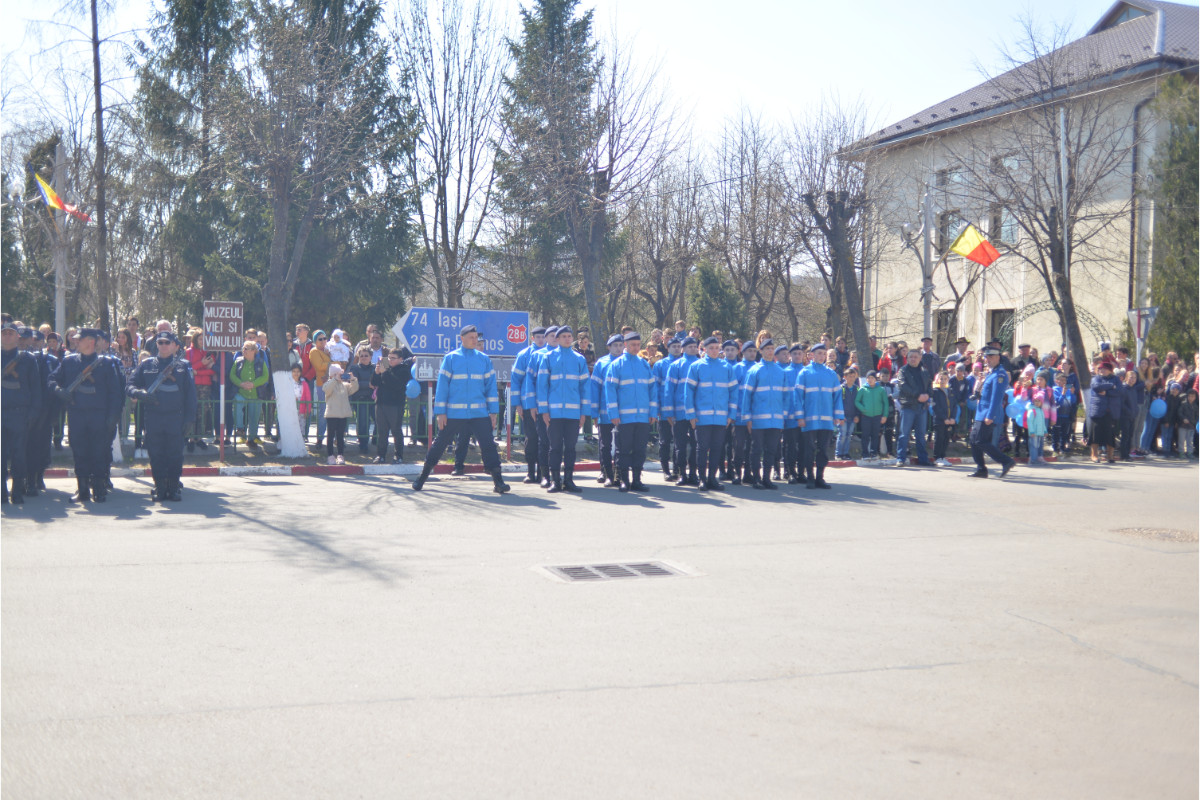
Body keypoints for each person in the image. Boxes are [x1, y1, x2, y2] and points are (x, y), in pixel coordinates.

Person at [412, 325, 508, 494]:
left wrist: (493, 412)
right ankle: (422, 478)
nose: (475, 340)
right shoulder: (451, 358)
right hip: (454, 414)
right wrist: (440, 412)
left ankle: (498, 482)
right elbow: (442, 388)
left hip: (479, 414)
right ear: (461, 338)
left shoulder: (484, 359)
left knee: (488, 446)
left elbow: (490, 388)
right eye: (471, 337)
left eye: (476, 337)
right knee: (439, 444)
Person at [48, 328, 124, 502]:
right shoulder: (69, 362)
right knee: (79, 452)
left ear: (90, 341)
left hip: (99, 416)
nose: (75, 342)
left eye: (79, 340)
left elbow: (115, 392)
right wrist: (59, 390)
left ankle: (98, 489)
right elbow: (52, 380)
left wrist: (114, 415)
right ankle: (82, 490)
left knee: (98, 452)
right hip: (77, 415)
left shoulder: (105, 364)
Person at [126, 331, 197, 501]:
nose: (163, 345)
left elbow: (191, 396)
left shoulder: (183, 366)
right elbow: (130, 385)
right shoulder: (146, 365)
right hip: (153, 417)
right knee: (156, 454)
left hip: (175, 417)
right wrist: (141, 393)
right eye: (160, 342)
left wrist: (190, 420)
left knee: (175, 454)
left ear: (174, 345)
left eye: (167, 342)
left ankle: (173, 488)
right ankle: (159, 487)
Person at [537, 326, 590, 493]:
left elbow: (585, 388)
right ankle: (555, 481)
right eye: (564, 336)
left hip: (573, 413)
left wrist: (584, 413)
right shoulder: (548, 357)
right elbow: (542, 386)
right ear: (557, 339)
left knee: (571, 448)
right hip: (554, 413)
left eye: (569, 336)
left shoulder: (579, 359)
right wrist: (544, 410)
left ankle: (569, 480)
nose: (568, 339)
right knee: (555, 448)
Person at [606, 332, 658, 491]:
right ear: (626, 345)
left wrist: (653, 412)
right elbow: (610, 391)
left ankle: (636, 480)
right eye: (633, 345)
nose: (636, 348)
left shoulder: (643, 364)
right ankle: (624, 480)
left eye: (638, 345)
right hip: (624, 418)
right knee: (623, 450)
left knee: (639, 450)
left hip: (642, 417)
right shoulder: (616, 365)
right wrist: (613, 414)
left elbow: (652, 389)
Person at [683, 336, 736, 491]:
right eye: (711, 348)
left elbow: (734, 393)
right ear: (704, 349)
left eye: (716, 347)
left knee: (716, 448)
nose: (714, 350)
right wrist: (691, 415)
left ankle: (712, 478)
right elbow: (688, 392)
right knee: (701, 448)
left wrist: (731, 414)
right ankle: (702, 479)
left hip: (720, 418)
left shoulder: (726, 367)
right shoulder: (696, 366)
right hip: (701, 417)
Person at [2, 322, 42, 504]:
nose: (7, 336)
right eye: (4, 333)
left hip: (20, 414)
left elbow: (36, 389)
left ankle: (17, 490)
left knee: (19, 455)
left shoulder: (27, 360)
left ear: (18, 337)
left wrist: (33, 413)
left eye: (11, 333)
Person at [742, 341, 789, 489]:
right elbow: (747, 396)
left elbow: (786, 397)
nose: (769, 351)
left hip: (775, 420)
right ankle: (755, 478)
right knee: (756, 449)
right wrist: (747, 417)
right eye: (767, 349)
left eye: (771, 349)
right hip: (758, 420)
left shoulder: (781, 371)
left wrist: (784, 416)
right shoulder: (755, 370)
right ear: (760, 351)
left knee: (771, 450)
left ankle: (766, 479)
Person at [968, 346, 1015, 479]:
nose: (988, 359)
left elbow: (996, 397)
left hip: (988, 413)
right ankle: (981, 469)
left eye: (991, 357)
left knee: (980, 440)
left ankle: (1006, 461)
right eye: (986, 357)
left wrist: (990, 415)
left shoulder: (1000, 374)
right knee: (973, 440)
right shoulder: (990, 373)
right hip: (981, 412)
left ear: (998, 358)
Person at [512, 326, 547, 483]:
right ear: (532, 338)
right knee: (531, 438)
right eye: (538, 337)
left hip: (544, 405)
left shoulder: (549, 354)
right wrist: (517, 403)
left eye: (543, 337)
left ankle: (543, 472)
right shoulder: (524, 355)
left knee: (544, 440)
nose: (541, 340)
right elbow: (516, 380)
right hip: (527, 404)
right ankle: (530, 471)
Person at [523, 326, 557, 488]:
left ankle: (556, 475)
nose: (554, 338)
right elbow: (529, 383)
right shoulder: (536, 356)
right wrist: (531, 405)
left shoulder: (573, 357)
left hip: (561, 409)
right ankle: (543, 475)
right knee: (542, 441)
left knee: (556, 444)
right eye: (551, 335)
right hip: (542, 408)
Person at [589, 334, 625, 487]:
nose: (618, 348)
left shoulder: (626, 363)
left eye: (620, 345)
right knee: (605, 445)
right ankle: (606, 471)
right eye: (614, 345)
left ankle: (617, 474)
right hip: (605, 412)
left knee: (621, 445)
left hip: (623, 412)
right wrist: (594, 413)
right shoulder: (601, 364)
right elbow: (594, 389)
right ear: (608, 347)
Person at [667, 337, 700, 485]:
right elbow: (669, 390)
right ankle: (681, 474)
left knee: (696, 445)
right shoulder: (675, 366)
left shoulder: (701, 365)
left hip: (697, 414)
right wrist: (669, 412)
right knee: (680, 446)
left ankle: (693, 473)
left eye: (695, 346)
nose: (693, 349)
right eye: (690, 347)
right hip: (680, 413)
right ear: (683, 349)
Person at [894, 349, 933, 467]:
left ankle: (923, 459)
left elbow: (930, 386)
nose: (913, 359)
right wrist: (918, 395)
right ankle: (900, 458)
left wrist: (928, 395)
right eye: (911, 357)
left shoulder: (924, 371)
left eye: (916, 357)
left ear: (920, 358)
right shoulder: (903, 370)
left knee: (921, 435)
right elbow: (902, 386)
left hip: (922, 407)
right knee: (904, 434)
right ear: (907, 358)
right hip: (908, 406)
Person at [370, 348, 409, 463]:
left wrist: (384, 372)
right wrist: (376, 373)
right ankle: (380, 455)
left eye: (393, 358)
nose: (390, 360)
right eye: (389, 358)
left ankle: (398, 455)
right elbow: (373, 383)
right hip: (381, 403)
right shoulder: (385, 367)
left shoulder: (403, 370)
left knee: (396, 430)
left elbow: (395, 384)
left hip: (395, 405)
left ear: (400, 359)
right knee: (382, 431)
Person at [230, 341, 269, 450]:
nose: (243, 350)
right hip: (241, 392)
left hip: (256, 394)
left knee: (254, 417)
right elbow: (232, 375)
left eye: (246, 348)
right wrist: (241, 384)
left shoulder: (261, 362)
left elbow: (265, 376)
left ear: (253, 351)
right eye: (243, 348)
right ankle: (240, 428)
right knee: (237, 403)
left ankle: (251, 439)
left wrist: (253, 384)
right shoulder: (238, 361)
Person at [653, 337, 681, 480]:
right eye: (673, 346)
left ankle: (677, 469)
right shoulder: (660, 365)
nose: (676, 348)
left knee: (679, 442)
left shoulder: (684, 364)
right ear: (667, 348)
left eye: (678, 346)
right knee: (664, 442)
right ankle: (666, 470)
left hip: (680, 411)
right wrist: (657, 407)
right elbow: (655, 388)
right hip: (664, 411)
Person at [729, 341, 758, 484]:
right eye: (749, 351)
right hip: (739, 416)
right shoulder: (736, 368)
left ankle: (748, 473)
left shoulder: (759, 368)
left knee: (752, 447)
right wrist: (732, 413)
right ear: (743, 352)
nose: (752, 353)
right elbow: (732, 393)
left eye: (754, 351)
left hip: (755, 416)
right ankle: (736, 473)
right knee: (738, 446)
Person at [185, 330, 216, 451]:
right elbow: (187, 368)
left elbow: (212, 370)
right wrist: (200, 364)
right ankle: (191, 438)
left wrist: (198, 371)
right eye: (200, 339)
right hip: (193, 385)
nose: (202, 341)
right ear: (195, 340)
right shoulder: (189, 352)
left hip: (206, 386)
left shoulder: (209, 352)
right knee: (192, 410)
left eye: (204, 339)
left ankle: (199, 438)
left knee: (202, 411)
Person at [322, 363, 357, 465]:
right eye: (338, 374)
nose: (341, 376)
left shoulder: (344, 385)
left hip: (342, 415)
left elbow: (354, 389)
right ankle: (330, 456)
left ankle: (340, 455)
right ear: (332, 375)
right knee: (330, 436)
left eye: (341, 373)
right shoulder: (329, 384)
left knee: (340, 436)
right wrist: (334, 379)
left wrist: (353, 379)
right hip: (331, 415)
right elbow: (327, 390)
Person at [1087, 361, 1121, 463]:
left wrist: (1106, 391)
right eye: (1100, 369)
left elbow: (1119, 391)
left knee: (1110, 434)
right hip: (1097, 410)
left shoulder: (1116, 379)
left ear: (1110, 370)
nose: (1102, 371)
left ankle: (1110, 456)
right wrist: (1111, 386)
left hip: (1111, 411)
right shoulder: (1095, 379)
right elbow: (1097, 387)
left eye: (1104, 369)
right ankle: (1094, 455)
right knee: (1095, 434)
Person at [348, 347, 376, 454]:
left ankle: (375, 439)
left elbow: (378, 380)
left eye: (366, 355)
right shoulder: (354, 368)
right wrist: (368, 384)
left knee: (378, 420)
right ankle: (363, 445)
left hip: (373, 399)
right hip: (360, 399)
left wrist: (370, 384)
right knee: (363, 422)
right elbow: (354, 383)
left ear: (371, 357)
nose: (364, 358)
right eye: (361, 356)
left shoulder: (375, 368)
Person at [855, 370, 887, 461]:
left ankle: (874, 452)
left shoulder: (880, 390)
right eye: (868, 378)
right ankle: (865, 453)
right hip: (866, 416)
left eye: (872, 378)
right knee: (865, 435)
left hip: (877, 416)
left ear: (875, 379)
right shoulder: (863, 389)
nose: (870, 380)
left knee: (875, 435)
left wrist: (884, 415)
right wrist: (863, 409)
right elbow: (857, 401)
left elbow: (885, 403)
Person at [308, 330, 333, 447]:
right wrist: (333, 363)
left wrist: (330, 359)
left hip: (334, 383)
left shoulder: (329, 350)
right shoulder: (314, 351)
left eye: (324, 338)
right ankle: (319, 438)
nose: (323, 341)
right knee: (323, 411)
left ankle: (333, 438)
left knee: (334, 411)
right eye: (320, 339)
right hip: (321, 384)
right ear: (315, 341)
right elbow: (320, 366)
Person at [1022, 387, 1054, 466]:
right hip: (1034, 432)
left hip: (1040, 432)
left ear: (1042, 402)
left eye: (1038, 401)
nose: (1036, 402)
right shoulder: (1032, 410)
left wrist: (1045, 431)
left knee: (1038, 445)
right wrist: (1031, 431)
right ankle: (1033, 459)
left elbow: (1042, 422)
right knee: (1034, 446)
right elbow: (1030, 422)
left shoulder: (1041, 411)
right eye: (1035, 401)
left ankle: (1036, 459)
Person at [930, 371, 954, 467]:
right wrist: (944, 418)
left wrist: (952, 417)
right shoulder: (935, 391)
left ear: (948, 379)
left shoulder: (950, 391)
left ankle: (943, 457)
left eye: (945, 379)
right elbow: (936, 407)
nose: (943, 381)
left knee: (946, 438)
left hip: (949, 420)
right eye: (941, 378)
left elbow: (954, 405)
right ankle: (937, 458)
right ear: (937, 379)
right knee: (939, 438)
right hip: (940, 420)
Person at [836, 367, 859, 460]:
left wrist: (857, 415)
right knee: (842, 434)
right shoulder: (841, 388)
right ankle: (838, 453)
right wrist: (840, 416)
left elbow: (858, 403)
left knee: (849, 435)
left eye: (853, 376)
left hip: (853, 416)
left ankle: (845, 453)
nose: (852, 378)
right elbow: (838, 403)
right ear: (845, 377)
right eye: (850, 376)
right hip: (843, 417)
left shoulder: (857, 389)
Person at [1051, 372, 1076, 456]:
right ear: (1056, 381)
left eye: (1065, 381)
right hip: (1057, 415)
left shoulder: (1068, 391)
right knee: (1056, 433)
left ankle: (1062, 448)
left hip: (1066, 415)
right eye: (1061, 380)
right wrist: (1063, 394)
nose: (1063, 382)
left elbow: (1073, 402)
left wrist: (1072, 393)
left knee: (1065, 433)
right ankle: (1055, 449)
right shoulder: (1054, 390)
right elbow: (1057, 403)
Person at [289, 364, 313, 438]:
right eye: (294, 371)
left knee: (301, 429)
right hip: (290, 410)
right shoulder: (288, 383)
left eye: (298, 371)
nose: (296, 373)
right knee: (291, 428)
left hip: (301, 410)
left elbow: (308, 397)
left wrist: (307, 410)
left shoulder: (304, 383)